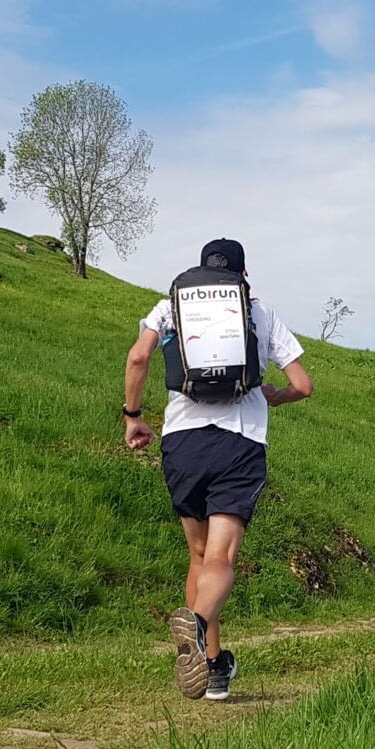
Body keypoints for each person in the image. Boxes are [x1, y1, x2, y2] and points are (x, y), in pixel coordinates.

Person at [122, 238, 313, 700]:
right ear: (243, 275)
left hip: (182, 443)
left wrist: (133, 417)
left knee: (198, 557)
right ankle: (199, 622)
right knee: (221, 560)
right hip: (239, 443)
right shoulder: (259, 312)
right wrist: (274, 395)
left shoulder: (169, 305)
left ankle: (211, 667)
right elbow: (303, 385)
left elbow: (138, 357)